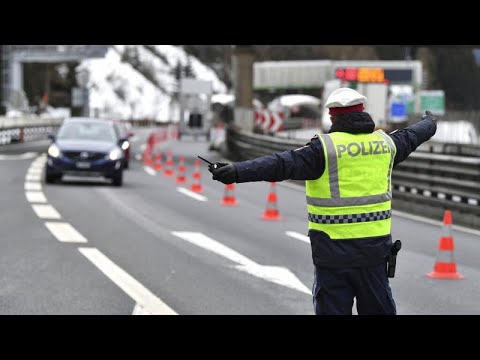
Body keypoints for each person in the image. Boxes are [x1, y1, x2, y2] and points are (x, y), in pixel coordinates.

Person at [208, 87, 437, 315]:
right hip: (374, 255)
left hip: (332, 257)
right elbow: (413, 135)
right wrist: (430, 123)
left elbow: (278, 164)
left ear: (332, 116)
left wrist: (236, 171)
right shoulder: (386, 145)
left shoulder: (323, 150)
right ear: (363, 111)